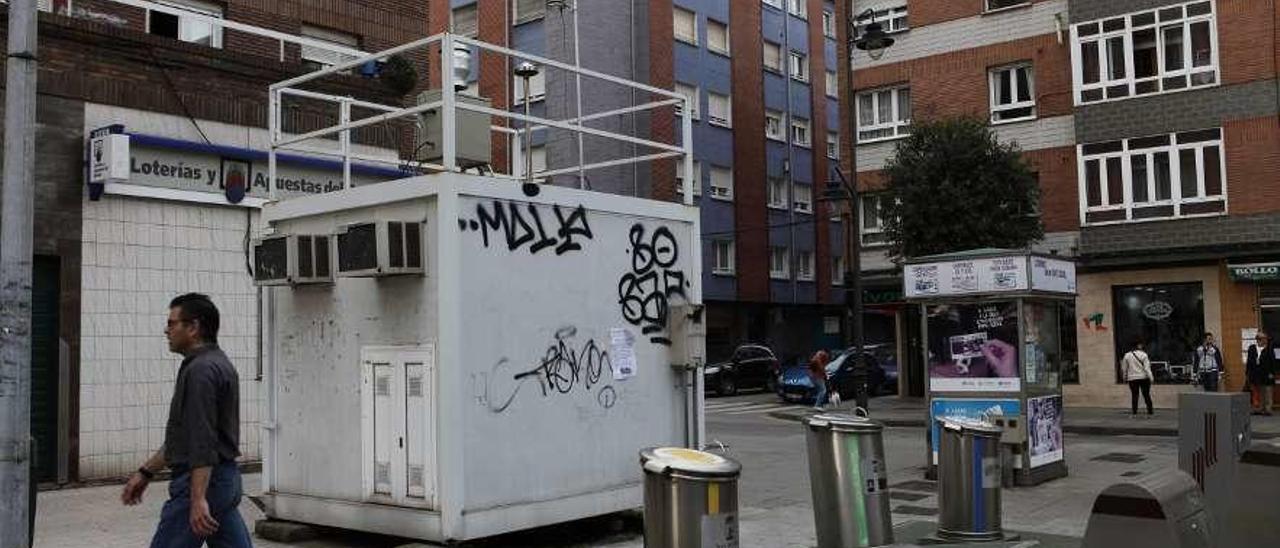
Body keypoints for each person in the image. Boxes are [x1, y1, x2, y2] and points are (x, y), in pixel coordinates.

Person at [121, 293, 254, 548]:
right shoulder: (215, 363)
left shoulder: (201, 371)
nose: (166, 330)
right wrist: (146, 472)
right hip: (223, 481)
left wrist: (198, 499)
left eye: (172, 324)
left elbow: (202, 441)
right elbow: (182, 436)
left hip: (203, 483)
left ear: (193, 327)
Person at [1121, 338, 1155, 417]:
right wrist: (1151, 377)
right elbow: (1147, 368)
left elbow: (1124, 368)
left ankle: (1134, 412)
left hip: (1132, 378)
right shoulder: (1144, 355)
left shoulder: (1127, 355)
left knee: (1134, 395)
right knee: (1146, 395)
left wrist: (1124, 377)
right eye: (1141, 344)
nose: (1142, 346)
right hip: (1144, 378)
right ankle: (1150, 411)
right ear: (1139, 345)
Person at [1248, 331, 1277, 416]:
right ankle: (1260, 408)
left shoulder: (1269, 348)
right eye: (1262, 338)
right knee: (1258, 392)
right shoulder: (1252, 348)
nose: (1265, 340)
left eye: (1265, 338)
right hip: (1256, 374)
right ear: (1258, 339)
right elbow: (1249, 362)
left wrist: (1272, 373)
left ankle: (1268, 409)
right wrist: (1248, 373)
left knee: (1267, 391)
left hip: (1267, 373)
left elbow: (1273, 361)